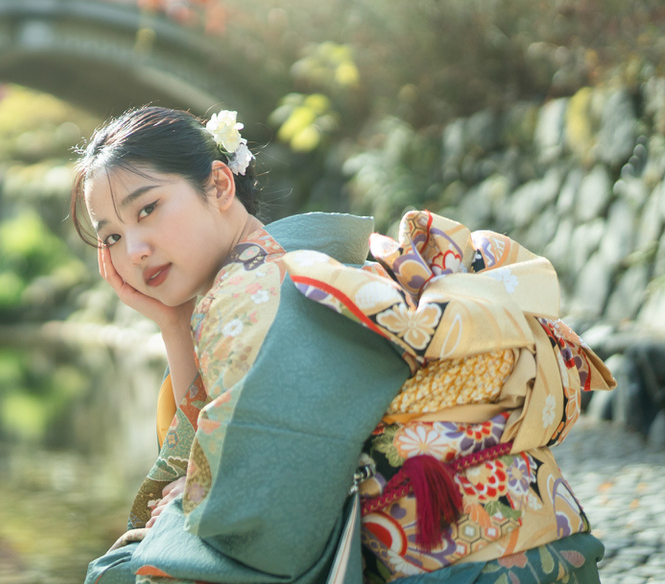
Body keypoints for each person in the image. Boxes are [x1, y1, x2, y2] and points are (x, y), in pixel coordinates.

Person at [72, 106, 614, 584]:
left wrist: (183, 512)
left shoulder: (243, 294)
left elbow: (265, 515)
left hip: (451, 564)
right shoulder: (302, 257)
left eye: (147, 210)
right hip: (545, 540)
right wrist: (173, 324)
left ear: (218, 184)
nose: (135, 250)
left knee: (124, 573)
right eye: (112, 236)